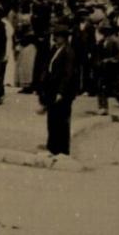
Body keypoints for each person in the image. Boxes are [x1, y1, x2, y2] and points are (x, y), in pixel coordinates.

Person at [42, 23, 78, 156]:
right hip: (52, 89)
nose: (55, 38)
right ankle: (52, 147)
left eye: (58, 36)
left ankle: (61, 150)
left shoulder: (68, 52)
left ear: (64, 38)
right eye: (54, 36)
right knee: (52, 120)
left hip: (63, 92)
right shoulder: (55, 49)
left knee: (61, 121)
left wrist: (60, 92)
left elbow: (67, 74)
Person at [95, 21, 119, 121]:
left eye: (106, 30)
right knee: (101, 87)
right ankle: (103, 107)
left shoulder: (114, 41)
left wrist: (110, 60)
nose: (105, 32)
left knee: (114, 90)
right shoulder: (101, 42)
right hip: (104, 69)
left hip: (114, 69)